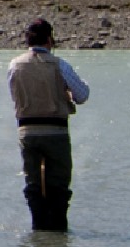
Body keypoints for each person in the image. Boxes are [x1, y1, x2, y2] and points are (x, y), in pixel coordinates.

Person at [8, 20, 91, 232]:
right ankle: (58, 233)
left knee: (33, 186)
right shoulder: (60, 64)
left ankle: (38, 230)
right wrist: (66, 93)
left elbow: (15, 96)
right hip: (57, 133)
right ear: (49, 40)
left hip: (27, 133)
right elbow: (82, 96)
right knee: (59, 189)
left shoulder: (14, 65)